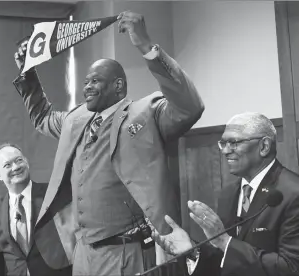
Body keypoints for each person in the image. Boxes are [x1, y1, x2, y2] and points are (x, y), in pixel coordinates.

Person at [13, 11, 204, 275]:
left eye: (96, 81)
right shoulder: (75, 119)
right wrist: (28, 72)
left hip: (126, 253)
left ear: (119, 86)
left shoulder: (145, 113)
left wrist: (147, 47)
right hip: (82, 253)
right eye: (86, 82)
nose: (87, 87)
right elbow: (43, 117)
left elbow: (189, 107)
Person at [152, 112, 299, 276]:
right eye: (223, 143)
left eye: (234, 142)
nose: (225, 151)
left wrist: (225, 242)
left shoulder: (294, 192)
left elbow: (292, 268)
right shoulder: (228, 193)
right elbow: (224, 257)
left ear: (264, 146)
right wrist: (193, 250)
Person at [0, 143, 72, 276]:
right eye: (7, 165)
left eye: (19, 160)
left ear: (27, 162)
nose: (16, 167)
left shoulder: (52, 194)